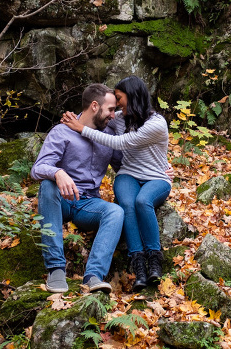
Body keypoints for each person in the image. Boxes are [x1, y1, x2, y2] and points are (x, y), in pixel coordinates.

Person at [62, 75, 171, 292]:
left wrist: (81, 129)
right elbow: (96, 114)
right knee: (127, 205)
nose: (117, 104)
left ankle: (154, 261)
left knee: (142, 201)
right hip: (128, 174)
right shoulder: (120, 118)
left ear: (132, 96)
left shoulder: (156, 124)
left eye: (120, 98)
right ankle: (139, 266)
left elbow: (120, 142)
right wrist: (73, 118)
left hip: (156, 177)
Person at [30, 83, 125, 294]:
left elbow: (125, 166)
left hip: (89, 204)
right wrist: (58, 173)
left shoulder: (108, 136)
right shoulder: (62, 131)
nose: (113, 115)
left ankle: (93, 276)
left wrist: (158, 172)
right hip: (62, 200)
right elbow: (38, 168)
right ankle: (55, 269)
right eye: (110, 109)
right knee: (47, 185)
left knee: (116, 212)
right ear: (94, 106)